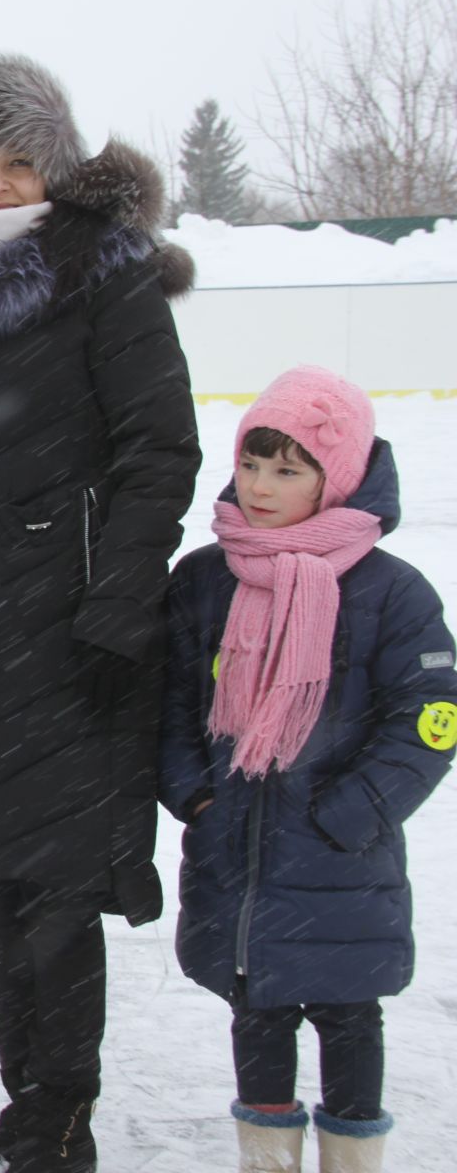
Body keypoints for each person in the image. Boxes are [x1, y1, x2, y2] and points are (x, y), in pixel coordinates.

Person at [0, 53, 201, 1173]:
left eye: (21, 162)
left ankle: (61, 1114)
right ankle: (31, 1102)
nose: (0, 185)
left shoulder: (106, 280)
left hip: (69, 639)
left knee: (56, 886)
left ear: (57, 170)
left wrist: (115, 598)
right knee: (2, 880)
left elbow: (161, 448)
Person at [161, 367, 452, 1173]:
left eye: (289, 470)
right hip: (239, 855)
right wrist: (196, 796)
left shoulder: (391, 592)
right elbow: (173, 705)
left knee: (350, 1016)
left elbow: (430, 716)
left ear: (340, 477)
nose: (260, 486)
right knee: (257, 1012)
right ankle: (269, 1161)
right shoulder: (206, 579)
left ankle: (352, 1160)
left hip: (341, 858)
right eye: (253, 463)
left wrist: (354, 810)